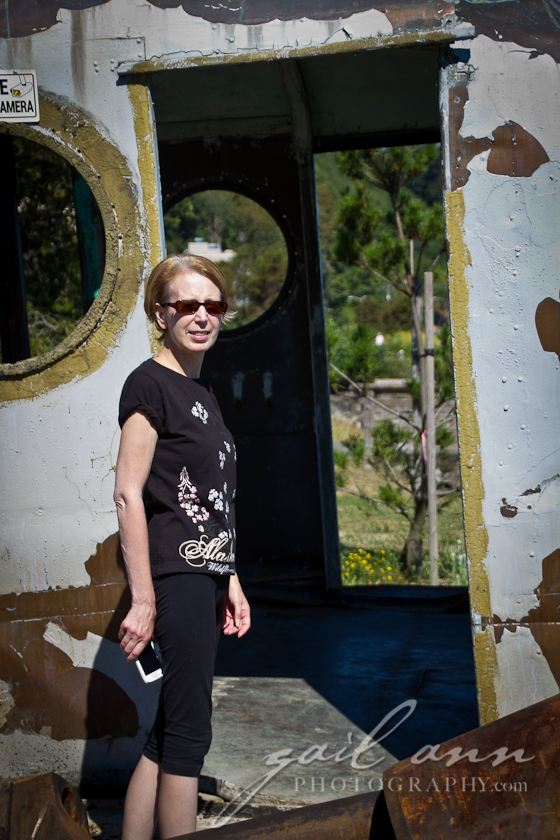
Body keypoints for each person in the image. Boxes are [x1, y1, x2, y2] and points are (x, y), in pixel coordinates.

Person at [114, 254, 250, 839]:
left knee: (170, 730)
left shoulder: (201, 390)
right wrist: (143, 600)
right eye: (187, 305)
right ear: (160, 314)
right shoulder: (149, 384)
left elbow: (214, 498)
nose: (202, 316)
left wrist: (230, 578)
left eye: (212, 305)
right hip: (176, 576)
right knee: (192, 731)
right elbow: (128, 493)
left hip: (207, 574)